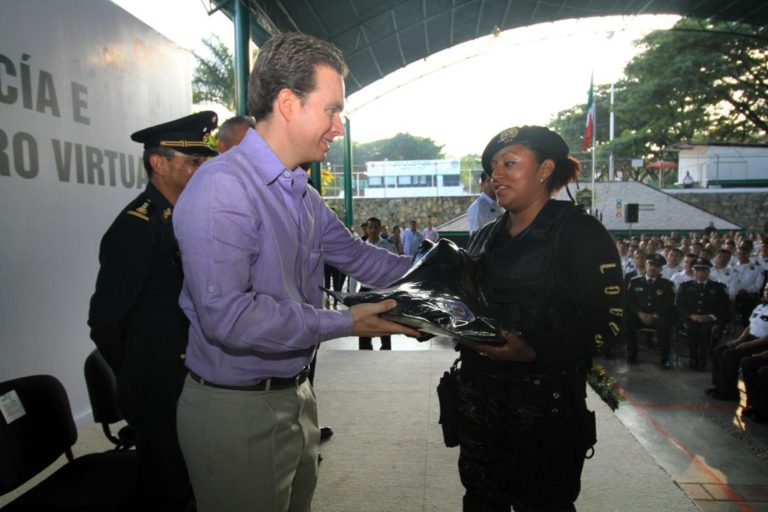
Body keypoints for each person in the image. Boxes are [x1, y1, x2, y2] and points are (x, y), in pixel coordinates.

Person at [171, 33, 420, 512]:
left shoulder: (300, 193)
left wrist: (442, 275)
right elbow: (231, 318)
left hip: (293, 395)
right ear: (288, 103)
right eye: (331, 110)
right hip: (237, 408)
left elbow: (359, 257)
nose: (338, 127)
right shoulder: (223, 189)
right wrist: (348, 321)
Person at [445, 126, 624, 512]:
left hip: (545, 409)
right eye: (494, 167)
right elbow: (468, 305)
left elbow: (609, 323)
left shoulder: (582, 234)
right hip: (481, 405)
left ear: (545, 170)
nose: (497, 176)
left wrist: (534, 350)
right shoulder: (484, 237)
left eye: (510, 164)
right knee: (481, 501)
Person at [88, 110, 219, 511]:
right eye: (193, 162)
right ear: (159, 164)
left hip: (194, 377)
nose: (202, 170)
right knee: (166, 486)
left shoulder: (188, 218)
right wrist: (140, 374)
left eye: (203, 162)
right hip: (159, 388)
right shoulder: (136, 228)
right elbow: (105, 320)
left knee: (194, 481)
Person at [707, 284, 768, 401]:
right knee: (719, 350)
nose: (767, 292)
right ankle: (720, 386)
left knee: (730, 355)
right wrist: (739, 340)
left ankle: (730, 391)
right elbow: (750, 326)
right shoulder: (760, 307)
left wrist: (749, 344)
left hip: (761, 343)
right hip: (750, 338)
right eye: (766, 290)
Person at [676, 258, 731, 371]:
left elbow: (723, 306)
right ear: (693, 271)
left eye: (704, 271)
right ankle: (693, 357)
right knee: (692, 329)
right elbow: (680, 304)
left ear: (709, 272)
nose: (701, 274)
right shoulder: (685, 286)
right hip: (690, 318)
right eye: (698, 271)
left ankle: (703, 358)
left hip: (710, 319)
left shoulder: (718, 287)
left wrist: (710, 316)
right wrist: (691, 315)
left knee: (707, 331)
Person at [625, 253, 677, 368]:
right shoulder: (634, 281)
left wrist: (654, 315)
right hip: (639, 315)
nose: (653, 268)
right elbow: (629, 300)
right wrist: (639, 313)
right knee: (628, 321)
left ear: (660, 269)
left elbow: (668, 304)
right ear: (646, 264)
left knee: (665, 324)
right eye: (651, 264)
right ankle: (631, 354)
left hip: (657, 317)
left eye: (657, 266)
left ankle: (664, 358)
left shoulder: (667, 285)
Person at [357, 217, 397, 350]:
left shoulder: (388, 246)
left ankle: (385, 351)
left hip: (383, 291)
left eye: (375, 227)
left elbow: (395, 267)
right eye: (370, 227)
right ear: (366, 229)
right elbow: (353, 269)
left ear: (380, 229)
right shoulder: (361, 247)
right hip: (365, 290)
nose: (373, 230)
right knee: (363, 324)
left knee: (384, 323)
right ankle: (364, 351)